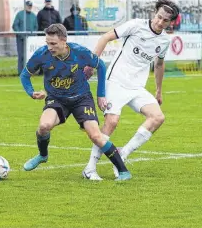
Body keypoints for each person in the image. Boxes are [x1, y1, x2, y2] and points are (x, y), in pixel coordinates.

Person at [81, 0, 180, 180]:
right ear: (154, 13)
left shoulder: (164, 40)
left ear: (170, 22)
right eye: (158, 17)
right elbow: (105, 37)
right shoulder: (135, 25)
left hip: (136, 87)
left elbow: (159, 64)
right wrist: (91, 63)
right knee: (112, 122)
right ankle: (90, 168)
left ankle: (123, 153)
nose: (160, 22)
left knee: (158, 117)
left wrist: (158, 90)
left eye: (165, 20)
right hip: (116, 81)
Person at [20, 23, 131, 181]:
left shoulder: (79, 52)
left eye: (53, 44)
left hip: (81, 98)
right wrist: (31, 92)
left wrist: (101, 95)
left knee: (95, 136)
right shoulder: (41, 54)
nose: (50, 47)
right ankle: (42, 155)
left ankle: (123, 171)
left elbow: (101, 67)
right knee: (44, 126)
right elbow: (25, 75)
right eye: (47, 43)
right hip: (57, 99)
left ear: (64, 40)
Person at [12, 0, 38, 75]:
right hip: (21, 39)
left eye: (30, 6)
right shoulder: (19, 14)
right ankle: (21, 72)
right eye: (28, 6)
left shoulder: (33, 15)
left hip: (30, 40)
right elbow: (15, 25)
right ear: (25, 6)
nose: (29, 7)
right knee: (21, 56)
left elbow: (36, 26)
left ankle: (31, 72)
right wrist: (21, 34)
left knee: (31, 56)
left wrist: (33, 36)